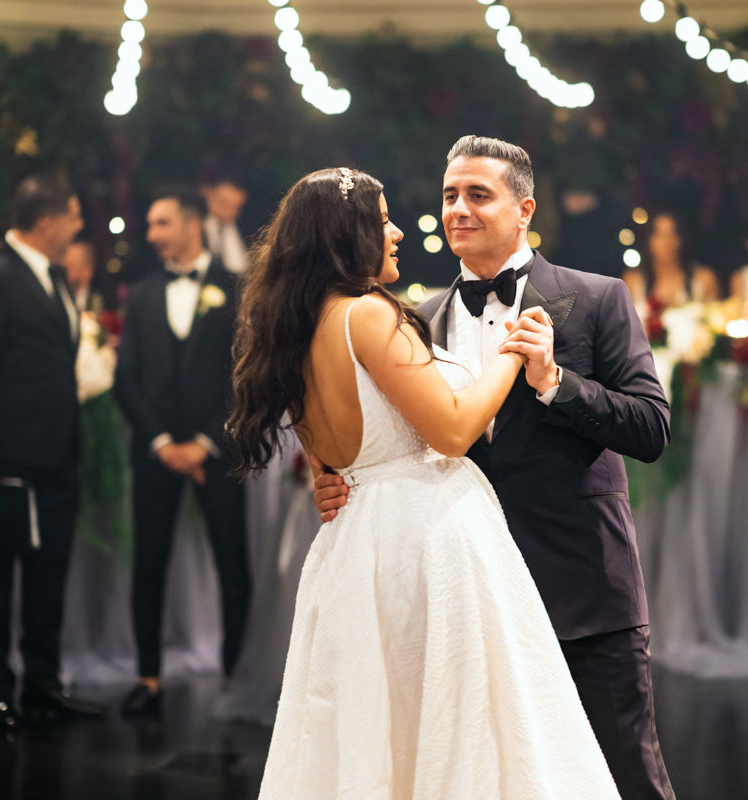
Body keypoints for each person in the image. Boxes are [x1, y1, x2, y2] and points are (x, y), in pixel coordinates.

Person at [231, 165, 618, 798]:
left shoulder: (293, 330)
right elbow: (455, 431)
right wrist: (514, 353)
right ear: (346, 234)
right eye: (382, 221)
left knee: (377, 726)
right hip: (426, 542)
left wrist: (331, 477)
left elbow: (332, 456)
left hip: (355, 545)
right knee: (458, 721)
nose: (397, 232)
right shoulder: (367, 316)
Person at [312, 137, 677, 799]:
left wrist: (557, 382)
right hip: (464, 597)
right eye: (450, 195)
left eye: (478, 195)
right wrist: (335, 477)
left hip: (581, 590)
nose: (458, 209)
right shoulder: (413, 318)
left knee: (626, 779)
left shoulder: (597, 297)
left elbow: (651, 429)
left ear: (524, 209)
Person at [0, 176, 104, 729]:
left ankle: (43, 685)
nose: (79, 226)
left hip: (57, 454)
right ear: (47, 222)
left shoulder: (54, 275)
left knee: (49, 575)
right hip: (5, 456)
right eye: (73, 216)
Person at [114, 186, 250, 717]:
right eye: (151, 224)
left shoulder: (235, 288)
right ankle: (147, 678)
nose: (151, 235)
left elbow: (244, 375)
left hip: (217, 452)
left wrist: (204, 442)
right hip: (156, 454)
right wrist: (163, 444)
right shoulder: (142, 293)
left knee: (232, 564)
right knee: (148, 565)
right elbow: (126, 379)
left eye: (161, 223)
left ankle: (235, 675)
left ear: (193, 224)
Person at [623, 211, 720, 317]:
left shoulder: (704, 279)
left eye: (672, 234)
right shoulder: (633, 281)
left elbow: (715, 320)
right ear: (648, 240)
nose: (666, 242)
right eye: (659, 235)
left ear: (681, 239)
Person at [199, 175, 249, 274]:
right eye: (224, 203)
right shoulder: (195, 226)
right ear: (207, 194)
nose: (233, 212)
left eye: (237, 207)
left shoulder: (241, 228)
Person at [60, 238, 101, 312]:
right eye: (64, 264)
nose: (65, 269)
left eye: (72, 265)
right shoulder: (59, 297)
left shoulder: (103, 299)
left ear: (88, 270)